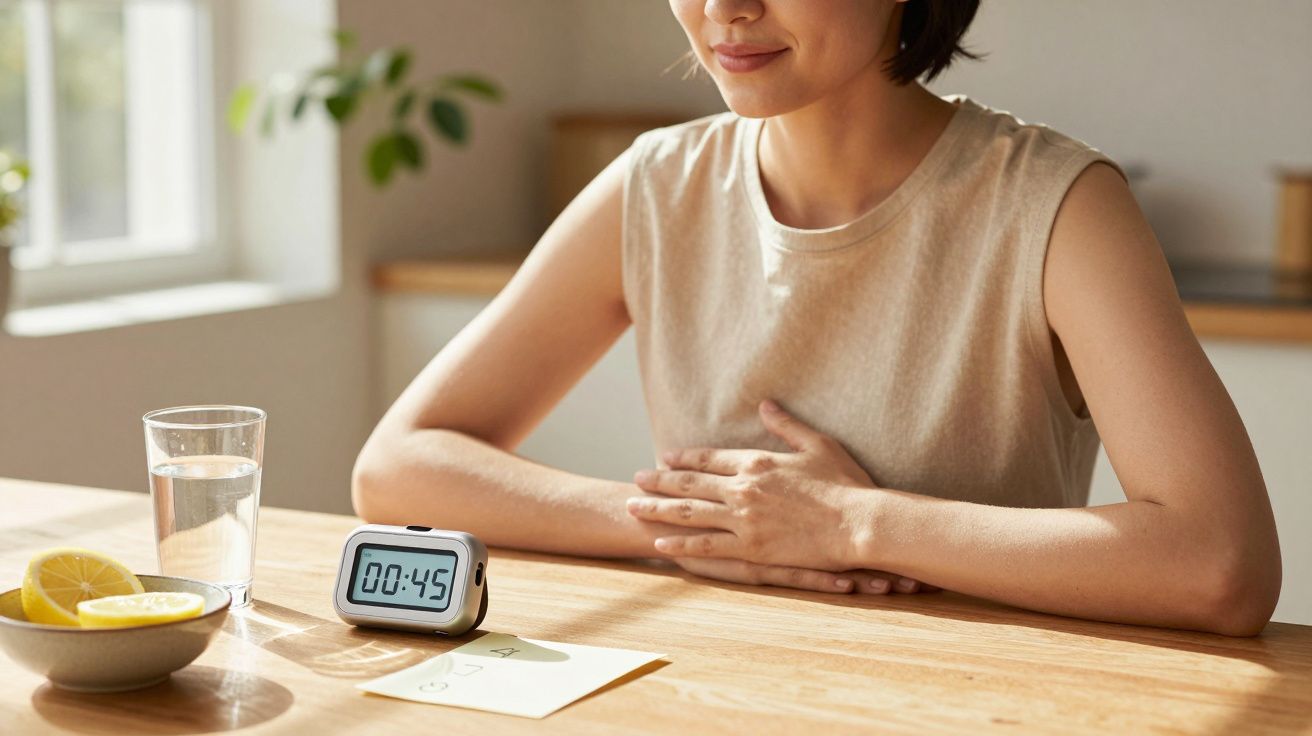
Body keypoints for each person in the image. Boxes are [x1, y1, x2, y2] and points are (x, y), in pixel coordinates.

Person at [353, 0, 1281, 636]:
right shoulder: (656, 185)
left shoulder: (1060, 206)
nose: (725, 6)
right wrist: (707, 526)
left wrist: (851, 523)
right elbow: (397, 468)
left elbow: (1221, 563)